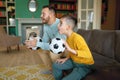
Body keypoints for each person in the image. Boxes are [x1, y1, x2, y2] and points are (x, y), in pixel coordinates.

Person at [52, 15, 94, 80]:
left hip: (84, 65)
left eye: (60, 23)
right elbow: (71, 53)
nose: (58, 25)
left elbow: (88, 54)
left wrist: (69, 49)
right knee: (56, 65)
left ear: (68, 27)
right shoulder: (68, 38)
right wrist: (65, 59)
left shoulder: (77, 38)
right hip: (74, 61)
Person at [25, 5, 66, 70]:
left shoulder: (61, 24)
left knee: (53, 54)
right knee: (41, 50)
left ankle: (58, 71)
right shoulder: (46, 26)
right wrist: (32, 44)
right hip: (55, 46)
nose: (41, 16)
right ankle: (51, 69)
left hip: (66, 48)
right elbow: (44, 40)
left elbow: (57, 46)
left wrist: (37, 44)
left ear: (51, 14)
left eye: (43, 14)